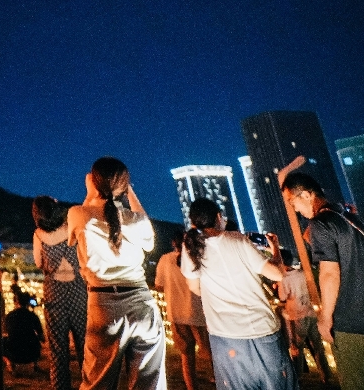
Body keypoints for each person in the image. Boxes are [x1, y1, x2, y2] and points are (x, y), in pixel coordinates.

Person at [282, 171, 364, 390]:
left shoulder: (321, 224)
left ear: (306, 195)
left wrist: (325, 318)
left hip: (353, 325)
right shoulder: (361, 222)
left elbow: (329, 274)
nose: (294, 209)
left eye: (292, 202)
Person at [66, 157, 166, 390]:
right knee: (149, 384)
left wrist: (92, 192)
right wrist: (129, 192)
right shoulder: (135, 220)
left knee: (97, 383)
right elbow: (149, 240)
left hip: (104, 304)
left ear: (93, 181)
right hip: (142, 302)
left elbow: (76, 233)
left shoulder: (78, 214)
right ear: (124, 186)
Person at [180, 198, 293, 390]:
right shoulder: (237, 239)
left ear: (193, 223)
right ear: (218, 217)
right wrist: (275, 249)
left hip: (224, 336)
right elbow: (278, 274)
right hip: (261, 330)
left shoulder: (191, 247)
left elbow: (194, 287)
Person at [34, 195, 88, 390]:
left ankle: (60, 386)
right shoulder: (71, 228)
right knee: (84, 344)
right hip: (78, 291)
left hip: (54, 293)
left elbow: (38, 263)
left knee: (57, 348)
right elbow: (84, 257)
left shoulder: (38, 235)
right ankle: (90, 383)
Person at [154, 232, 213, 390]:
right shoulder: (197, 258)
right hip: (198, 313)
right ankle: (220, 379)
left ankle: (191, 386)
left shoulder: (165, 259)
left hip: (176, 313)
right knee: (210, 352)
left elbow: (158, 285)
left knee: (186, 355)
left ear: (173, 243)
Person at [276, 250, 330, 384]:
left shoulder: (283, 278)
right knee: (317, 345)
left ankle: (298, 376)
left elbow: (283, 297)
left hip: (296, 316)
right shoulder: (302, 273)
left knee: (296, 347)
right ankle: (325, 375)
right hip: (311, 313)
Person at [3, 289, 45, 375]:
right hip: (30, 353)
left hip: (13, 352)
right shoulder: (33, 316)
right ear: (28, 302)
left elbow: (6, 332)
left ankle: (10, 364)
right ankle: (35, 364)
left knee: (2, 340)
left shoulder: (10, 316)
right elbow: (42, 337)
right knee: (36, 339)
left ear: (15, 301)